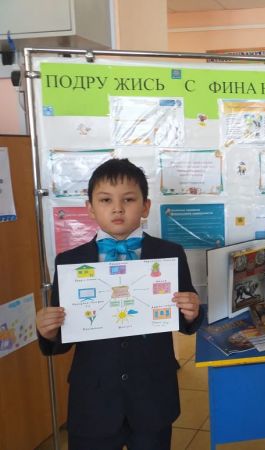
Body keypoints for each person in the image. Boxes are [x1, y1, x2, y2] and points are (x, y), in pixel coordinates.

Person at [35, 158, 202, 450]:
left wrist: (191, 313)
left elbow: (183, 320)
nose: (117, 208)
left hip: (152, 395)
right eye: (105, 200)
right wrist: (48, 332)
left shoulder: (170, 254)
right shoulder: (70, 262)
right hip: (93, 401)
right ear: (90, 208)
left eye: (128, 199)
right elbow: (63, 338)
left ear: (145, 206)